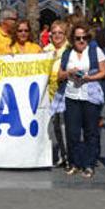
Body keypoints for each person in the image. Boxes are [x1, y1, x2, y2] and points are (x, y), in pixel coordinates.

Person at [57, 23, 105, 178]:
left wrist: (89, 77)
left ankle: (88, 164)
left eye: (84, 37)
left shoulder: (95, 51)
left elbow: (104, 72)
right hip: (72, 95)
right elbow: (59, 75)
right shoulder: (67, 53)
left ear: (88, 37)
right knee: (72, 132)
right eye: (77, 38)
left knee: (90, 131)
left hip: (90, 95)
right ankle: (74, 163)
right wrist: (69, 73)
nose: (81, 41)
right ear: (72, 38)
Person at [44, 20, 70, 168]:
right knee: (56, 127)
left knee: (65, 126)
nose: (57, 36)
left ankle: (69, 156)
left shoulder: (69, 50)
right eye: (54, 33)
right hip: (51, 92)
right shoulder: (46, 50)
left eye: (60, 33)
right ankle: (62, 154)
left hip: (65, 92)